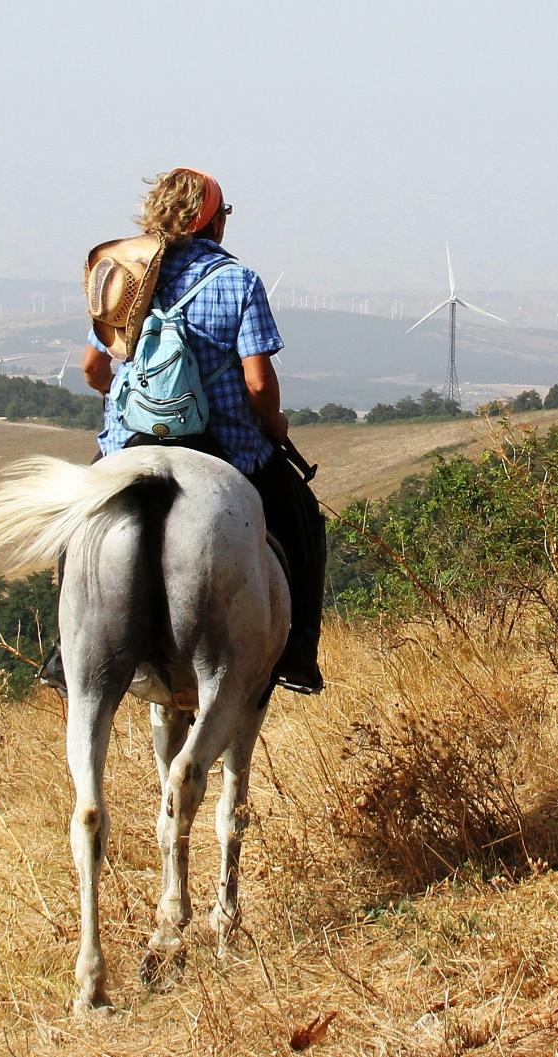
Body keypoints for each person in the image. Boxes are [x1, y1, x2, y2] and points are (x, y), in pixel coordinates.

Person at [70, 167, 325, 695]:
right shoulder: (238, 281)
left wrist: (127, 405)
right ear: (213, 222)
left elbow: (93, 369)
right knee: (303, 520)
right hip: (228, 446)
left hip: (131, 442)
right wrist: (274, 425)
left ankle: (64, 652)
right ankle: (298, 651)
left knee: (76, 530)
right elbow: (257, 381)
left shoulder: (123, 273)